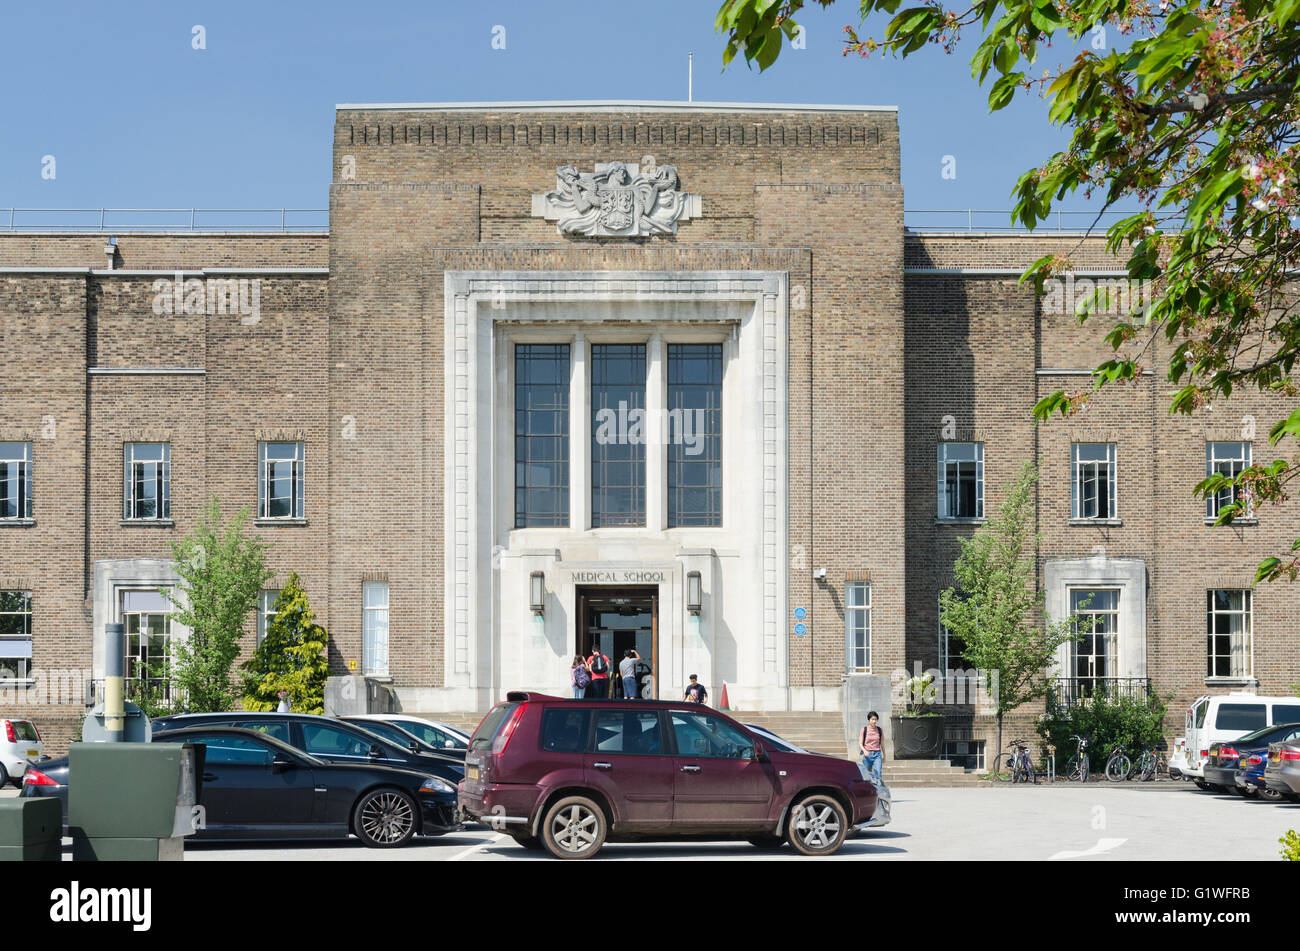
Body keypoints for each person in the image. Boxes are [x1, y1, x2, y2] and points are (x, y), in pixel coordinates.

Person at [859, 710, 884, 783]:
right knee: (867, 774)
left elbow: (882, 743)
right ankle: (868, 789)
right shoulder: (864, 730)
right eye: (872, 719)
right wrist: (864, 751)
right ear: (869, 720)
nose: (874, 721)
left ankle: (879, 789)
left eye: (876, 719)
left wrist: (884, 755)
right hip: (867, 754)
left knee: (878, 773)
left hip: (877, 754)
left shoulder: (879, 730)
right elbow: (860, 743)